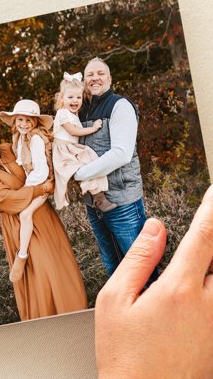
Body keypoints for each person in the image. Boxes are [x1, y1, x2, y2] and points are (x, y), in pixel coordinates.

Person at [0, 116, 87, 321]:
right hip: (19, 222)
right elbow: (8, 199)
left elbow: (37, 153)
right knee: (44, 276)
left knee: (63, 268)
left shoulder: (7, 149)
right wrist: (43, 188)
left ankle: (79, 319)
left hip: (43, 214)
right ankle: (52, 327)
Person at [95, 179, 213, 379]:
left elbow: (120, 154)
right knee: (114, 262)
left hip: (120, 199)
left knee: (138, 270)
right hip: (98, 202)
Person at [76, 57, 157, 281]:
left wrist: (80, 174)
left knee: (141, 268)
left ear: (110, 78)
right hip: (94, 203)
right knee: (113, 267)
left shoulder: (120, 106)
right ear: (83, 82)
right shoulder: (80, 112)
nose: (95, 78)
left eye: (100, 73)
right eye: (90, 74)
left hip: (123, 202)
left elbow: (121, 153)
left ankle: (154, 313)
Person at [0, 99, 54, 282]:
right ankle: (24, 249)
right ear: (15, 121)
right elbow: (21, 162)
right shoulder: (19, 138)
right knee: (22, 213)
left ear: (35, 122)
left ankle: (21, 257)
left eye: (28, 120)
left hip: (42, 182)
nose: (24, 124)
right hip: (32, 182)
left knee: (25, 214)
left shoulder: (36, 139)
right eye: (20, 120)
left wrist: (27, 189)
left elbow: (42, 170)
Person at [52, 71, 116, 211]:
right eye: (70, 97)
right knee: (85, 166)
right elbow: (73, 131)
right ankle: (95, 196)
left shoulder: (74, 114)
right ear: (62, 99)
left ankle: (98, 196)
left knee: (93, 159)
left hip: (72, 148)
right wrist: (93, 129)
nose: (75, 101)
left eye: (78, 97)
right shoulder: (62, 113)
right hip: (64, 151)